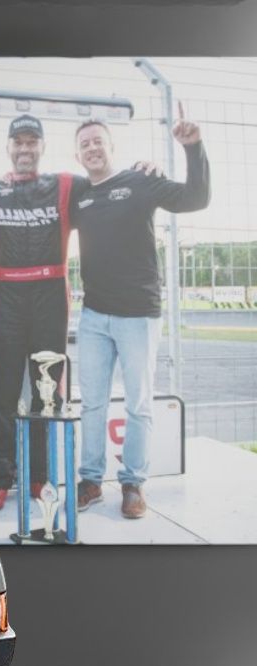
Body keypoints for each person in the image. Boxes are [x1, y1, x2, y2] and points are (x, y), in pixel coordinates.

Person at [71, 106, 209, 518]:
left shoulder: (141, 179)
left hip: (138, 314)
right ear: (78, 155)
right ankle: (91, 480)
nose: (92, 148)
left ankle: (133, 484)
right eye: (84, 144)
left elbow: (195, 199)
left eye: (98, 141)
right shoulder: (78, 194)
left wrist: (193, 147)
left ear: (111, 146)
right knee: (92, 404)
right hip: (94, 316)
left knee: (139, 405)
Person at [0, 115, 78, 511]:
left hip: (51, 295)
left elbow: (106, 188)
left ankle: (40, 476)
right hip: (6, 294)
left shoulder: (65, 185)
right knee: (1, 392)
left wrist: (144, 168)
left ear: (41, 146)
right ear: (8, 147)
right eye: (17, 141)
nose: (24, 148)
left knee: (46, 391)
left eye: (31, 141)